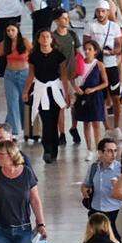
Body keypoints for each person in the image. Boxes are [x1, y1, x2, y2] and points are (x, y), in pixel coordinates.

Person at [25, 29, 73, 163]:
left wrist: (67, 93)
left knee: (53, 121)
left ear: (52, 39)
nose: (45, 39)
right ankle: (47, 150)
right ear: (38, 39)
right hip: (40, 90)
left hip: (55, 91)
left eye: (47, 37)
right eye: (42, 36)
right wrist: (25, 91)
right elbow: (31, 75)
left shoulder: (58, 55)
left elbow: (63, 75)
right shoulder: (34, 56)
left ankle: (54, 150)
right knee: (46, 121)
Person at [83, 138, 122, 235]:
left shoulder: (121, 169)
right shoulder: (94, 168)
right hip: (96, 211)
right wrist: (84, 190)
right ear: (100, 152)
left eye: (115, 151)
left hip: (115, 211)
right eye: (109, 151)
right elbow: (86, 184)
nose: (113, 154)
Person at [74, 40, 110, 151]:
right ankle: (89, 149)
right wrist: (76, 89)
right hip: (83, 95)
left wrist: (94, 89)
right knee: (86, 123)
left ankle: (98, 148)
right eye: (86, 49)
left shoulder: (99, 65)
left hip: (95, 96)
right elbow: (73, 78)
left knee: (96, 123)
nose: (87, 51)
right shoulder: (79, 63)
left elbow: (105, 83)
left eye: (90, 49)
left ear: (95, 51)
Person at [0, 24, 32, 137]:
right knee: (12, 101)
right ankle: (13, 132)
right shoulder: (6, 44)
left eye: (12, 30)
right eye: (8, 30)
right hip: (10, 75)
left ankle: (25, 127)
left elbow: (33, 55)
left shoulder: (24, 41)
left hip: (24, 73)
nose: (10, 33)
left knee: (23, 102)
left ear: (18, 30)